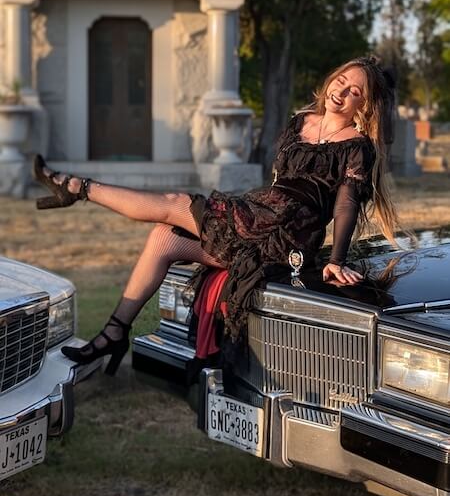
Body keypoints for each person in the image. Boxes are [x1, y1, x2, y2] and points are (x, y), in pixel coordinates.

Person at [33, 54, 400, 376]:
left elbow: (346, 203)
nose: (341, 91)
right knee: (163, 237)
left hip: (287, 234)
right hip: (259, 215)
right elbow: (279, 180)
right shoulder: (301, 122)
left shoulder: (356, 146)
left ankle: (76, 187)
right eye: (341, 80)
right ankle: (114, 333)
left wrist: (336, 260)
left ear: (364, 105)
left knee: (176, 201)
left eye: (355, 91)